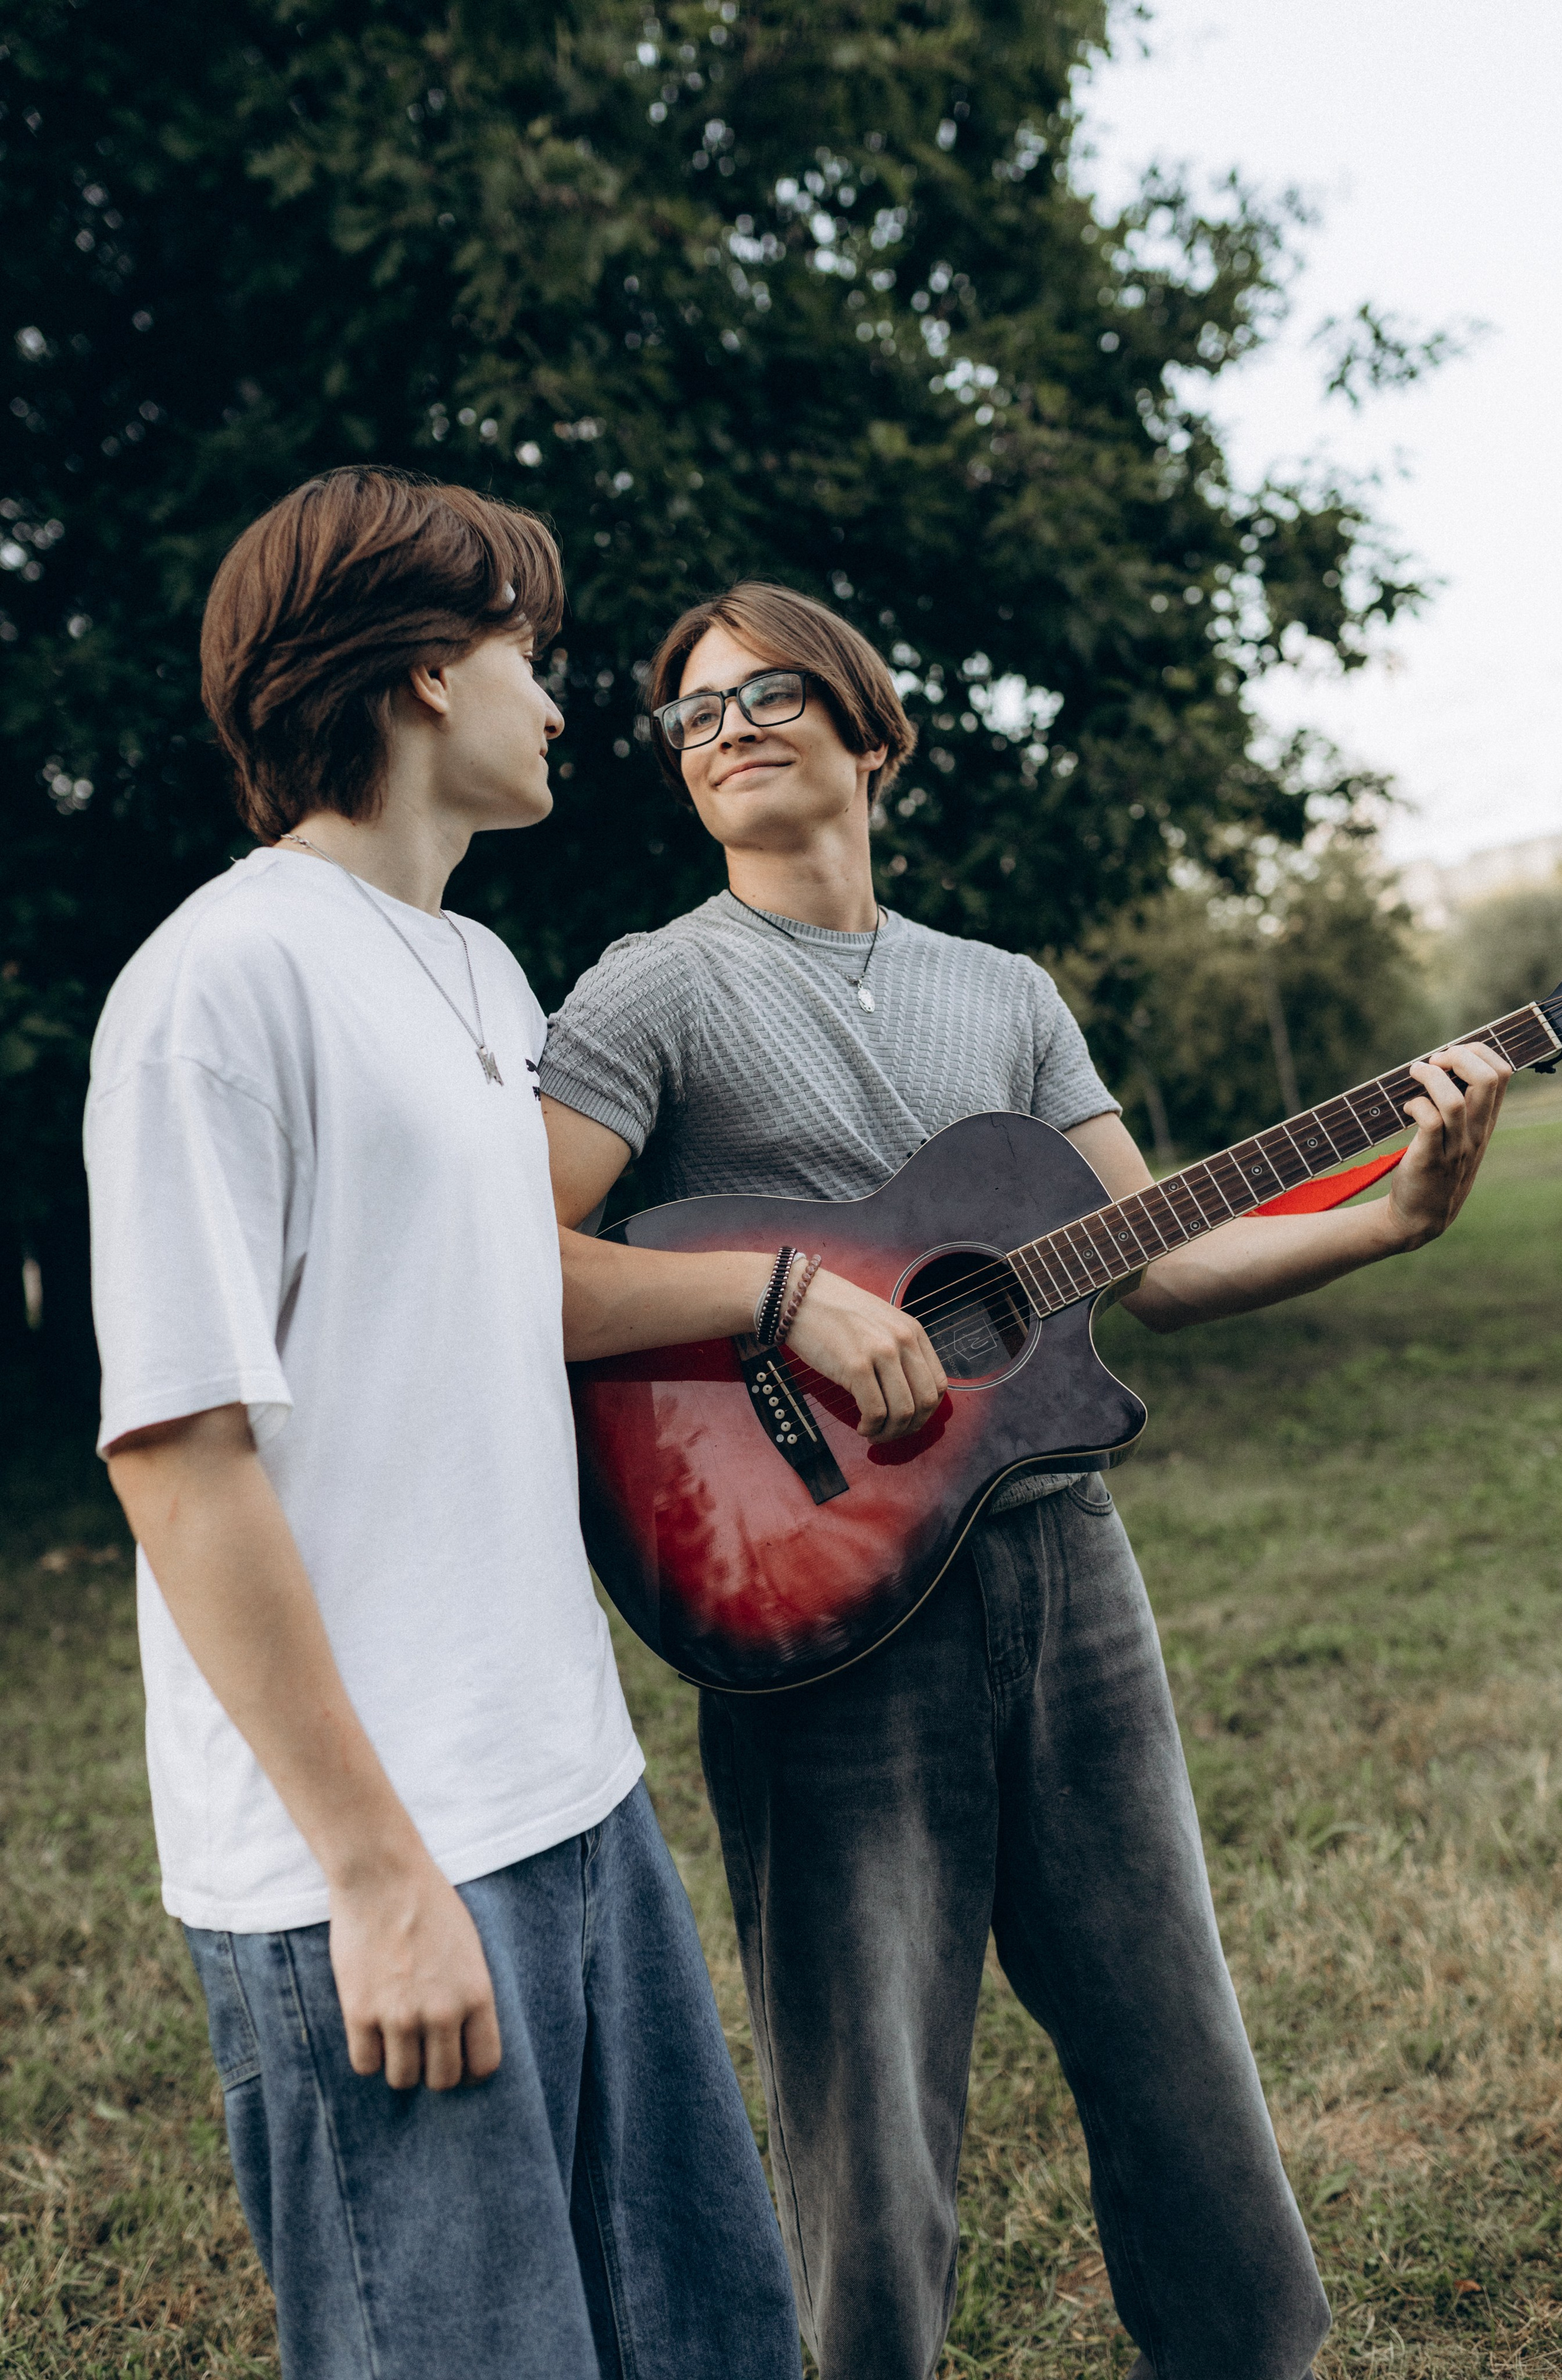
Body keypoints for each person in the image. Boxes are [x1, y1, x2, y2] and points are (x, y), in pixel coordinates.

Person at [537, 581, 1512, 2380]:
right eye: (690, 717)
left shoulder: (1003, 995)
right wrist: (780, 1297)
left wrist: (1390, 1214)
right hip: (809, 1598)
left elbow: (1145, 1255)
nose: (724, 728)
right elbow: (520, 1256)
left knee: (1176, 2043)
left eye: (765, 697)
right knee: (868, 2114)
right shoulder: (648, 992)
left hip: (1066, 1574)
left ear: (871, 732)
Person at [86, 478, 941, 2380]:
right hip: (380, 1861)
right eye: (527, 656)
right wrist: (376, 1880)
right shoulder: (217, 988)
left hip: (575, 1798)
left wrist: (769, 1287)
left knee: (705, 2342)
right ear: (416, 670)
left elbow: (512, 1284)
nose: (560, 706)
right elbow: (178, 1449)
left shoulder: (477, 974)